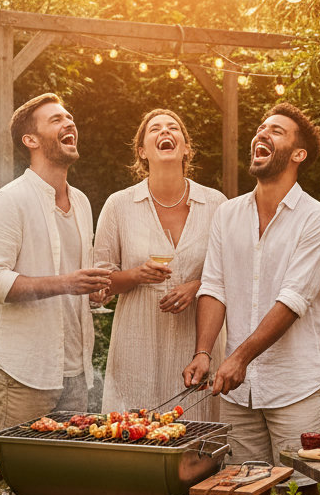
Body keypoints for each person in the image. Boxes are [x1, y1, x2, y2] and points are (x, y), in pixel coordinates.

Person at [0, 93, 112, 495]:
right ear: (31, 139)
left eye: (70, 117)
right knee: (9, 489)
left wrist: (91, 290)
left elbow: (72, 277)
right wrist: (65, 283)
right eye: (56, 119)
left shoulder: (84, 202)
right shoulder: (9, 201)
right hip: (24, 371)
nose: (69, 123)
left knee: (58, 491)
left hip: (74, 367)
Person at [181, 102, 320, 469]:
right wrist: (204, 352)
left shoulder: (318, 220)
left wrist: (238, 359)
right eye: (261, 127)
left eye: (277, 131)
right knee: (247, 492)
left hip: (297, 386)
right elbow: (214, 287)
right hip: (239, 393)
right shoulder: (227, 213)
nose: (262, 133)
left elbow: (293, 301)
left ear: (298, 154)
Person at [93, 109, 226, 419]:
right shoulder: (119, 205)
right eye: (154, 129)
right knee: (133, 435)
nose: (165, 132)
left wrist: (197, 285)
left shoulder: (217, 204)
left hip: (198, 343)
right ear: (142, 151)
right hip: (137, 344)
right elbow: (99, 285)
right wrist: (137, 275)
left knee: (197, 437)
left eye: (173, 128)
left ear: (186, 147)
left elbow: (233, 272)